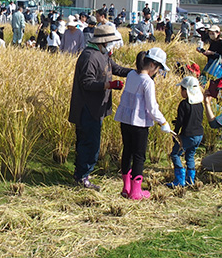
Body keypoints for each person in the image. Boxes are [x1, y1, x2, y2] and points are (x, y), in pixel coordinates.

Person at [68, 26, 132, 191]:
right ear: (103, 41)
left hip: (96, 107)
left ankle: (81, 174)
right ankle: (82, 177)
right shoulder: (89, 57)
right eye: (111, 41)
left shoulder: (103, 54)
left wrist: (135, 72)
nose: (112, 44)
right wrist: (108, 85)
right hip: (87, 108)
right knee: (89, 144)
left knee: (87, 142)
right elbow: (87, 82)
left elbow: (116, 68)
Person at [114, 48, 173, 199]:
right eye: (159, 68)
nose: (158, 72)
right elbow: (152, 108)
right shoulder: (148, 82)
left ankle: (126, 188)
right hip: (139, 123)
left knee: (127, 152)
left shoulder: (132, 74)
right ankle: (136, 192)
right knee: (139, 156)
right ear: (153, 65)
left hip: (125, 120)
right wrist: (163, 122)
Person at [167, 76, 204, 188]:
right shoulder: (199, 104)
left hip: (188, 135)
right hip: (199, 135)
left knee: (175, 154)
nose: (181, 92)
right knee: (190, 155)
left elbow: (180, 121)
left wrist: (175, 134)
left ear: (186, 90)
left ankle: (180, 179)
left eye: (182, 89)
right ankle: (190, 180)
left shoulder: (184, 104)